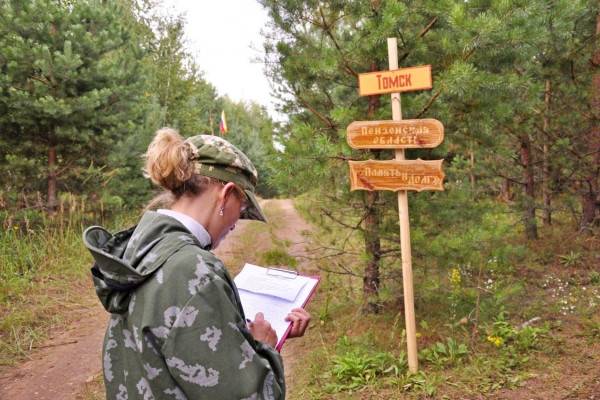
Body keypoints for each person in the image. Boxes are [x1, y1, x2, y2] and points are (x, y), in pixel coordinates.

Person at [83, 128, 310, 399]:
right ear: (225, 195)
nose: (236, 224)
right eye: (242, 209)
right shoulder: (195, 271)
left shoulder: (140, 251)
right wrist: (265, 345)